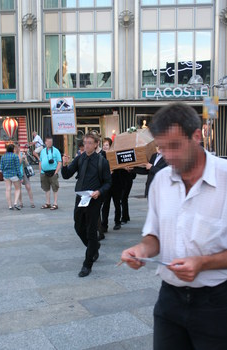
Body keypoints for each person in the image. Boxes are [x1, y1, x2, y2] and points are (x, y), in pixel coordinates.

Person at [121, 102, 227, 350]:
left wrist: (203, 263)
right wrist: (142, 250)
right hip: (169, 299)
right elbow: (154, 236)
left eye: (175, 146)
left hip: (218, 302)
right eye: (162, 148)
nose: (168, 156)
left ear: (197, 136)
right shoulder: (160, 180)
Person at [61, 132, 112, 277]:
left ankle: (87, 264)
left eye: (90, 142)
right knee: (78, 226)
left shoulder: (102, 161)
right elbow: (66, 175)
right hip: (80, 198)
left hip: (94, 200)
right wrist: (65, 164)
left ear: (96, 144)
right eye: (85, 142)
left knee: (91, 230)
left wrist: (99, 192)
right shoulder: (80, 158)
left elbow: (108, 182)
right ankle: (94, 246)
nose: (87, 145)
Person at [39, 136, 62, 210]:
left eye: (51, 142)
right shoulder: (43, 151)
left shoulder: (56, 151)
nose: (50, 143)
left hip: (53, 171)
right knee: (46, 188)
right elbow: (40, 161)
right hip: (44, 172)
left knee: (55, 187)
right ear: (45, 142)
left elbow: (59, 162)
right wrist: (40, 171)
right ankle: (47, 203)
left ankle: (55, 203)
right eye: (48, 142)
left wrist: (56, 172)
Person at [0, 143, 23, 210]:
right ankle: (15, 203)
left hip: (6, 175)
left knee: (8, 190)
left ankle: (10, 205)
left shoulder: (3, 156)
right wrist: (20, 177)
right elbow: (17, 167)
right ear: (13, 149)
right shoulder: (15, 156)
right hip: (14, 175)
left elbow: (1, 168)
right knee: (17, 189)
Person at [14, 143, 35, 208]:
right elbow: (17, 164)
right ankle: (21, 203)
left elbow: (27, 163)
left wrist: (25, 158)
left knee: (28, 187)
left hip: (24, 172)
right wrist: (21, 158)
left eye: (18, 147)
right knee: (18, 188)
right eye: (16, 147)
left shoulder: (22, 154)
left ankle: (32, 202)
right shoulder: (13, 155)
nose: (17, 149)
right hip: (17, 173)